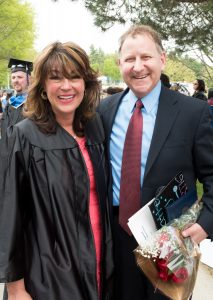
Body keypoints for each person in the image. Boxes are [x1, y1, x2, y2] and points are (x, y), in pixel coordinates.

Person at [98, 24, 213, 300]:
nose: (138, 67)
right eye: (129, 59)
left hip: (170, 241)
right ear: (119, 64)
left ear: (162, 58)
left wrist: (206, 224)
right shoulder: (103, 111)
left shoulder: (193, 114)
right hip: (115, 238)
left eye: (146, 57)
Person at [0, 41, 113, 300]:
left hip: (100, 264)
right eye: (55, 78)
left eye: (74, 77)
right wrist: (16, 289)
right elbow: (9, 214)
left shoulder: (95, 129)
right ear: (42, 87)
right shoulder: (24, 136)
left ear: (86, 83)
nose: (66, 86)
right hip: (48, 276)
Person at [0, 59, 33, 142]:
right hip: (8, 150)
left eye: (20, 77)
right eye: (13, 77)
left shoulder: (36, 102)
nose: (15, 80)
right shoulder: (10, 103)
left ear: (29, 79)